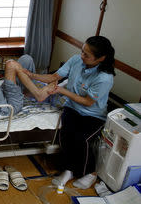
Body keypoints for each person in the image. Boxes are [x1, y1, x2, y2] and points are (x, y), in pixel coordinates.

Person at [22, 36, 115, 189]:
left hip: (93, 114)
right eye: (82, 51)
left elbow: (88, 102)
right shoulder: (76, 60)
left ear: (100, 58)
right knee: (66, 136)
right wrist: (31, 75)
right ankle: (69, 170)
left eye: (86, 55)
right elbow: (54, 77)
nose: (81, 56)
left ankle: (91, 173)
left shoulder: (105, 78)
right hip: (72, 107)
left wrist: (62, 91)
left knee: (81, 139)